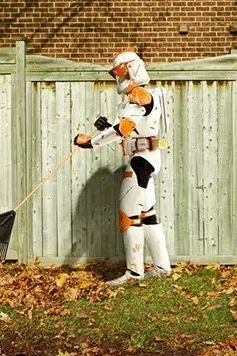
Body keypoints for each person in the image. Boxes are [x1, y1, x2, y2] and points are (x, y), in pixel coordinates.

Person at [73, 49, 171, 285]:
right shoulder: (144, 95)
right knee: (147, 214)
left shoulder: (139, 94)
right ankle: (162, 267)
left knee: (129, 214)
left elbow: (123, 129)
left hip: (141, 160)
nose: (119, 77)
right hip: (147, 157)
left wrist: (91, 142)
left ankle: (134, 273)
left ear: (132, 69)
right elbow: (130, 130)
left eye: (121, 71)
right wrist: (107, 126)